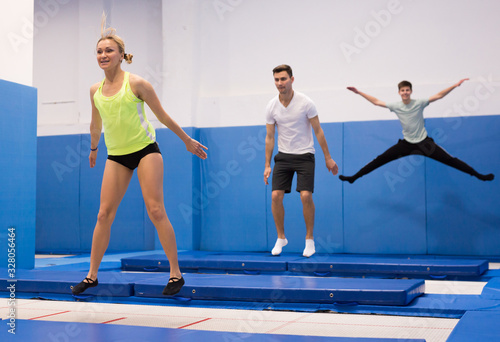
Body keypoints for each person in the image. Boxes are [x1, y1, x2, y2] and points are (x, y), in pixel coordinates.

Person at [72, 17, 207, 296]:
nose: (103, 55)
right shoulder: (94, 91)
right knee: (103, 214)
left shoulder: (137, 84)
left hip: (146, 151)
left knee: (156, 210)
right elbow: (95, 124)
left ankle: (175, 274)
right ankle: (91, 275)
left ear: (121, 55)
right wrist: (94, 148)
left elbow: (162, 115)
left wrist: (186, 140)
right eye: (99, 51)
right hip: (117, 156)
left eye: (109, 51)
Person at [339, 80, 494, 183]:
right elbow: (376, 102)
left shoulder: (419, 103)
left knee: (450, 160)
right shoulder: (396, 106)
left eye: (407, 90)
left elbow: (439, 96)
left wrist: (455, 86)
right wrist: (359, 92)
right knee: (380, 159)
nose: (405, 92)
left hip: (424, 143)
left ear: (411, 91)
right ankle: (354, 177)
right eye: (402, 90)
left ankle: (479, 175)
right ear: (399, 92)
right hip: (406, 144)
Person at [264, 64, 339, 258]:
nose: (280, 83)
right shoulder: (271, 106)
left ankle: (309, 240)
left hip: (305, 155)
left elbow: (318, 131)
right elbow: (270, 137)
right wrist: (267, 165)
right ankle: (281, 237)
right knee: (275, 196)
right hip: (283, 156)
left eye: (283, 79)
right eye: (277, 80)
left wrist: (328, 158)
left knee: (305, 196)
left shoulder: (306, 103)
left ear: (292, 79)